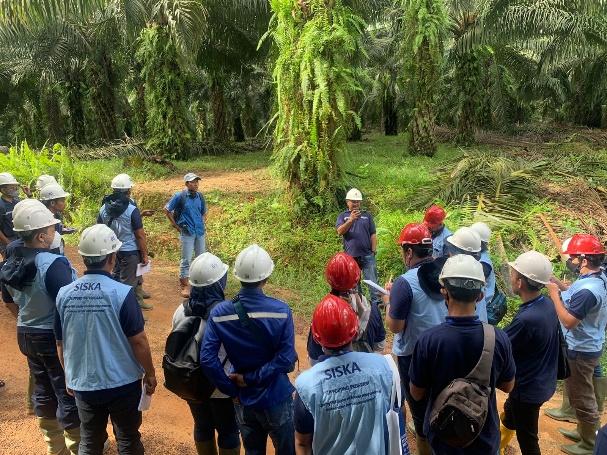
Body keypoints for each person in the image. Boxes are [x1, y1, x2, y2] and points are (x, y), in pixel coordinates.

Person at [54, 224, 155, 455]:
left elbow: (60, 343)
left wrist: (69, 375)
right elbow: (138, 341)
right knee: (128, 438)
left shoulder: (64, 294)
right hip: (123, 382)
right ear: (113, 256)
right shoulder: (122, 293)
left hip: (84, 383)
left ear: (83, 257)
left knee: (90, 441)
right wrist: (150, 373)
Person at [409, 254, 515, 455]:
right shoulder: (498, 338)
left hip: (442, 437)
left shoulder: (429, 340)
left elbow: (416, 393)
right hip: (483, 435)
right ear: (480, 296)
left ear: (444, 293)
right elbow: (508, 385)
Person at [0, 200, 80, 454]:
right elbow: (68, 304)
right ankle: (77, 445)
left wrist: (26, 318)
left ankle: (54, 447)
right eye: (52, 227)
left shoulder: (10, 260)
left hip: (26, 333)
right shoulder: (52, 264)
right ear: (42, 235)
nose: (55, 231)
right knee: (66, 388)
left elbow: (8, 300)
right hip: (51, 336)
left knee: (43, 387)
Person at [201, 244, 297, 455]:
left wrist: (231, 388)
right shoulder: (281, 311)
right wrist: (253, 378)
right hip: (276, 396)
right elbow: (286, 357)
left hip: (243, 400)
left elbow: (208, 359)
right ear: (266, 277)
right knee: (286, 449)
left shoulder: (220, 313)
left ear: (237, 276)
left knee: (253, 451)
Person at [294, 294, 396, 455]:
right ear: (355, 332)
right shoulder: (381, 366)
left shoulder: (306, 385)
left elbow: (302, 443)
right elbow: (395, 418)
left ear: (316, 337)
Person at [384, 222, 446, 455]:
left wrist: (389, 301)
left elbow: (395, 326)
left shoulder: (405, 282)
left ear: (409, 252)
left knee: (421, 417)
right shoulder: (446, 272)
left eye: (403, 250)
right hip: (445, 349)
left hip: (414, 356)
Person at [171, 252, 240, 455]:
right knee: (228, 430)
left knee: (202, 426)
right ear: (218, 283)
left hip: (191, 381)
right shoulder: (229, 313)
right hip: (222, 383)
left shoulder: (180, 310)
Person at [546, 233, 607, 454]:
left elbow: (570, 321)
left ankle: (589, 443)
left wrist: (554, 296)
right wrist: (560, 285)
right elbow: (574, 295)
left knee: (583, 396)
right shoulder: (596, 277)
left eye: (572, 257)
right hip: (586, 345)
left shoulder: (588, 291)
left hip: (581, 349)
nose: (569, 260)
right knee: (579, 391)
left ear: (583, 259)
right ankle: (583, 430)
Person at [500, 251, 559, 455]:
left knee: (528, 440)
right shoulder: (546, 305)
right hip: (542, 379)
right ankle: (499, 443)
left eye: (513, 273)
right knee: (510, 414)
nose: (511, 276)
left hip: (527, 389)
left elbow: (501, 344)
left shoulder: (527, 319)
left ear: (519, 283)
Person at [307, 252, 385, 365]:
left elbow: (314, 359)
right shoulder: (372, 309)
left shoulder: (323, 313)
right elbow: (379, 346)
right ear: (358, 278)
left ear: (329, 279)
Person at [98, 173, 151, 311]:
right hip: (129, 251)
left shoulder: (104, 208)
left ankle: (113, 307)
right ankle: (129, 313)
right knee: (128, 285)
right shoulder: (131, 209)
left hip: (113, 250)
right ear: (128, 191)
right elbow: (139, 235)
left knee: (115, 278)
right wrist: (145, 255)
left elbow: (100, 228)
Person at [335, 188, 381, 308]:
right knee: (354, 283)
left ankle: (376, 306)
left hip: (367, 255)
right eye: (353, 201)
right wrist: (350, 220)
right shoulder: (343, 216)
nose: (356, 204)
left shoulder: (367, 216)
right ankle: (359, 306)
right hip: (351, 256)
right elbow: (339, 231)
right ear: (347, 202)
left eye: (358, 201)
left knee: (372, 281)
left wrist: (373, 250)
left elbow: (373, 234)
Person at [165, 173, 208, 298]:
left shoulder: (200, 196)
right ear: (186, 184)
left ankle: (199, 283)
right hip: (187, 232)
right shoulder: (180, 196)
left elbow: (204, 212)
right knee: (186, 259)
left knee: (201, 258)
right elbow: (167, 210)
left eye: (197, 182)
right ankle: (184, 285)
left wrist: (202, 221)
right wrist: (176, 226)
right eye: (192, 182)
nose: (195, 184)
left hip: (199, 232)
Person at [445, 226, 488, 322]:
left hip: (462, 326)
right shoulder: (477, 270)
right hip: (481, 327)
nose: (449, 253)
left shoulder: (453, 275)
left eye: (451, 250)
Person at [0, 172, 24, 257]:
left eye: (15, 186)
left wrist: (29, 195)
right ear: (3, 190)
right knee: (11, 265)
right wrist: (8, 244)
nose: (15, 188)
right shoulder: (1, 205)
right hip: (7, 240)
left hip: (19, 237)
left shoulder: (17, 201)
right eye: (11, 187)